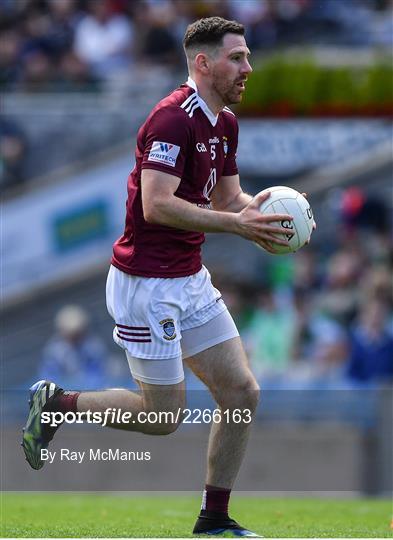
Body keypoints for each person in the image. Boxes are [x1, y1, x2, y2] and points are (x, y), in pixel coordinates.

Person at [22, 17, 302, 537]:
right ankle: (57, 403)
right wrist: (236, 225)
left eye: (247, 57)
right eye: (237, 58)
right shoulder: (172, 119)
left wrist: (259, 215)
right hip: (145, 285)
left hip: (189, 278)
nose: (248, 68)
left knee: (242, 393)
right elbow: (156, 205)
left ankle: (214, 521)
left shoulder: (226, 123)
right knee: (163, 417)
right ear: (203, 62)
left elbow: (227, 201)